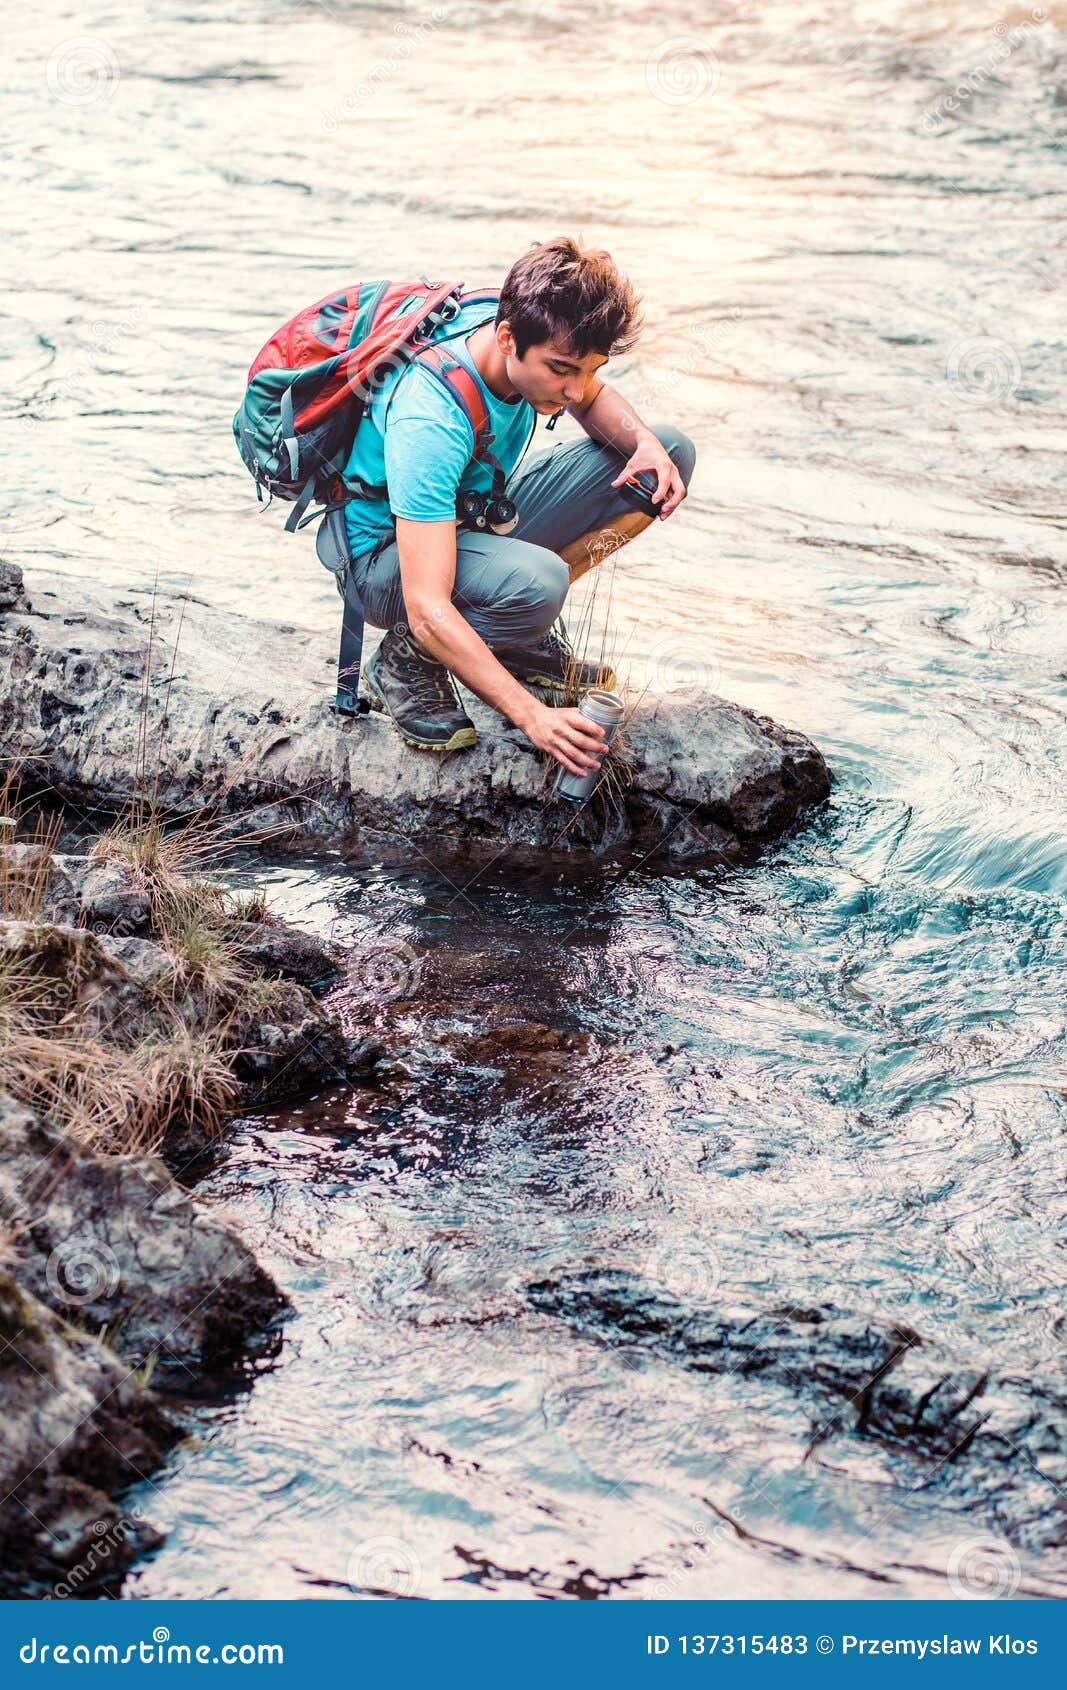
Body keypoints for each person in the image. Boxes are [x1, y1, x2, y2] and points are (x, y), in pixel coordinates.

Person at [339, 237, 696, 779]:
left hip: (470, 516)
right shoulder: (431, 417)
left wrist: (642, 441)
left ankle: (509, 634)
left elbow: (595, 398)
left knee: (666, 455)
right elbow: (426, 602)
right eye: (561, 370)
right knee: (538, 583)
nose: (577, 391)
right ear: (507, 339)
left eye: (588, 369)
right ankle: (403, 660)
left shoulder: (520, 328)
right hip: (383, 563)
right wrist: (533, 717)